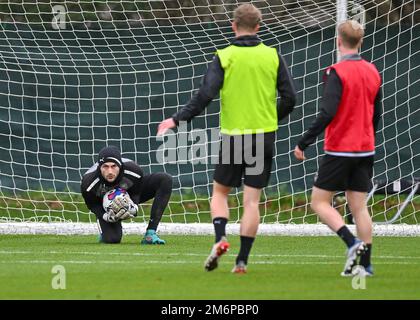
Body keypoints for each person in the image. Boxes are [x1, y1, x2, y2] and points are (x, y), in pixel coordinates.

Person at [157, 3, 297, 273]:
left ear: (233, 26)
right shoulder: (272, 56)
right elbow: (291, 98)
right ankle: (242, 261)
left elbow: (205, 95)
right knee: (252, 201)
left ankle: (221, 238)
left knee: (220, 193)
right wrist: (270, 118)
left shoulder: (224, 56)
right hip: (262, 137)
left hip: (234, 138)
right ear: (258, 26)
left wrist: (176, 119)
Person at [294, 20, 382, 276]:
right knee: (359, 207)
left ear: (338, 41)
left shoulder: (337, 71)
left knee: (319, 202)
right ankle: (366, 266)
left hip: (341, 148)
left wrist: (304, 141)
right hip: (366, 148)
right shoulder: (373, 70)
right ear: (361, 42)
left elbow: (328, 112)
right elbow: (377, 113)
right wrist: (367, 136)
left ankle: (351, 243)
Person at [81, 145, 172, 244]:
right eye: (105, 167)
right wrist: (106, 216)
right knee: (112, 239)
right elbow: (93, 205)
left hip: (130, 193)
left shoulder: (134, 171)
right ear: (99, 167)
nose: (110, 171)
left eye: (113, 166)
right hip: (105, 206)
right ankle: (105, 232)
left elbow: (136, 192)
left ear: (120, 166)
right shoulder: (88, 183)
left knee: (165, 180)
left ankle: (150, 234)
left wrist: (133, 207)